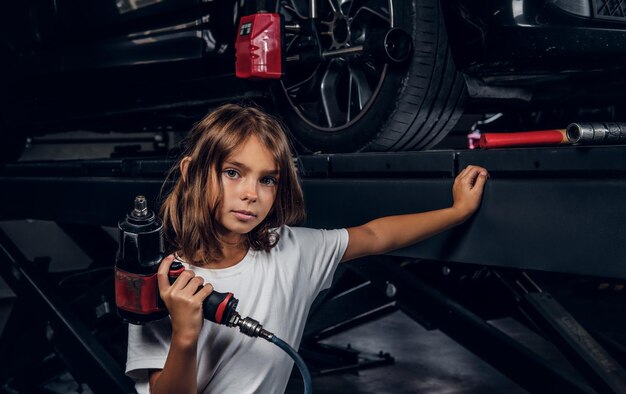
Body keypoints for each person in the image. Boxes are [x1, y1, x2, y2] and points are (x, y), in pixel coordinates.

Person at [125, 103, 489, 394]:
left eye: (267, 180)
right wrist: (185, 337)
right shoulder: (161, 284)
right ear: (191, 172)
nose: (251, 193)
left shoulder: (292, 251)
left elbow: (376, 236)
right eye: (232, 172)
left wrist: (457, 212)